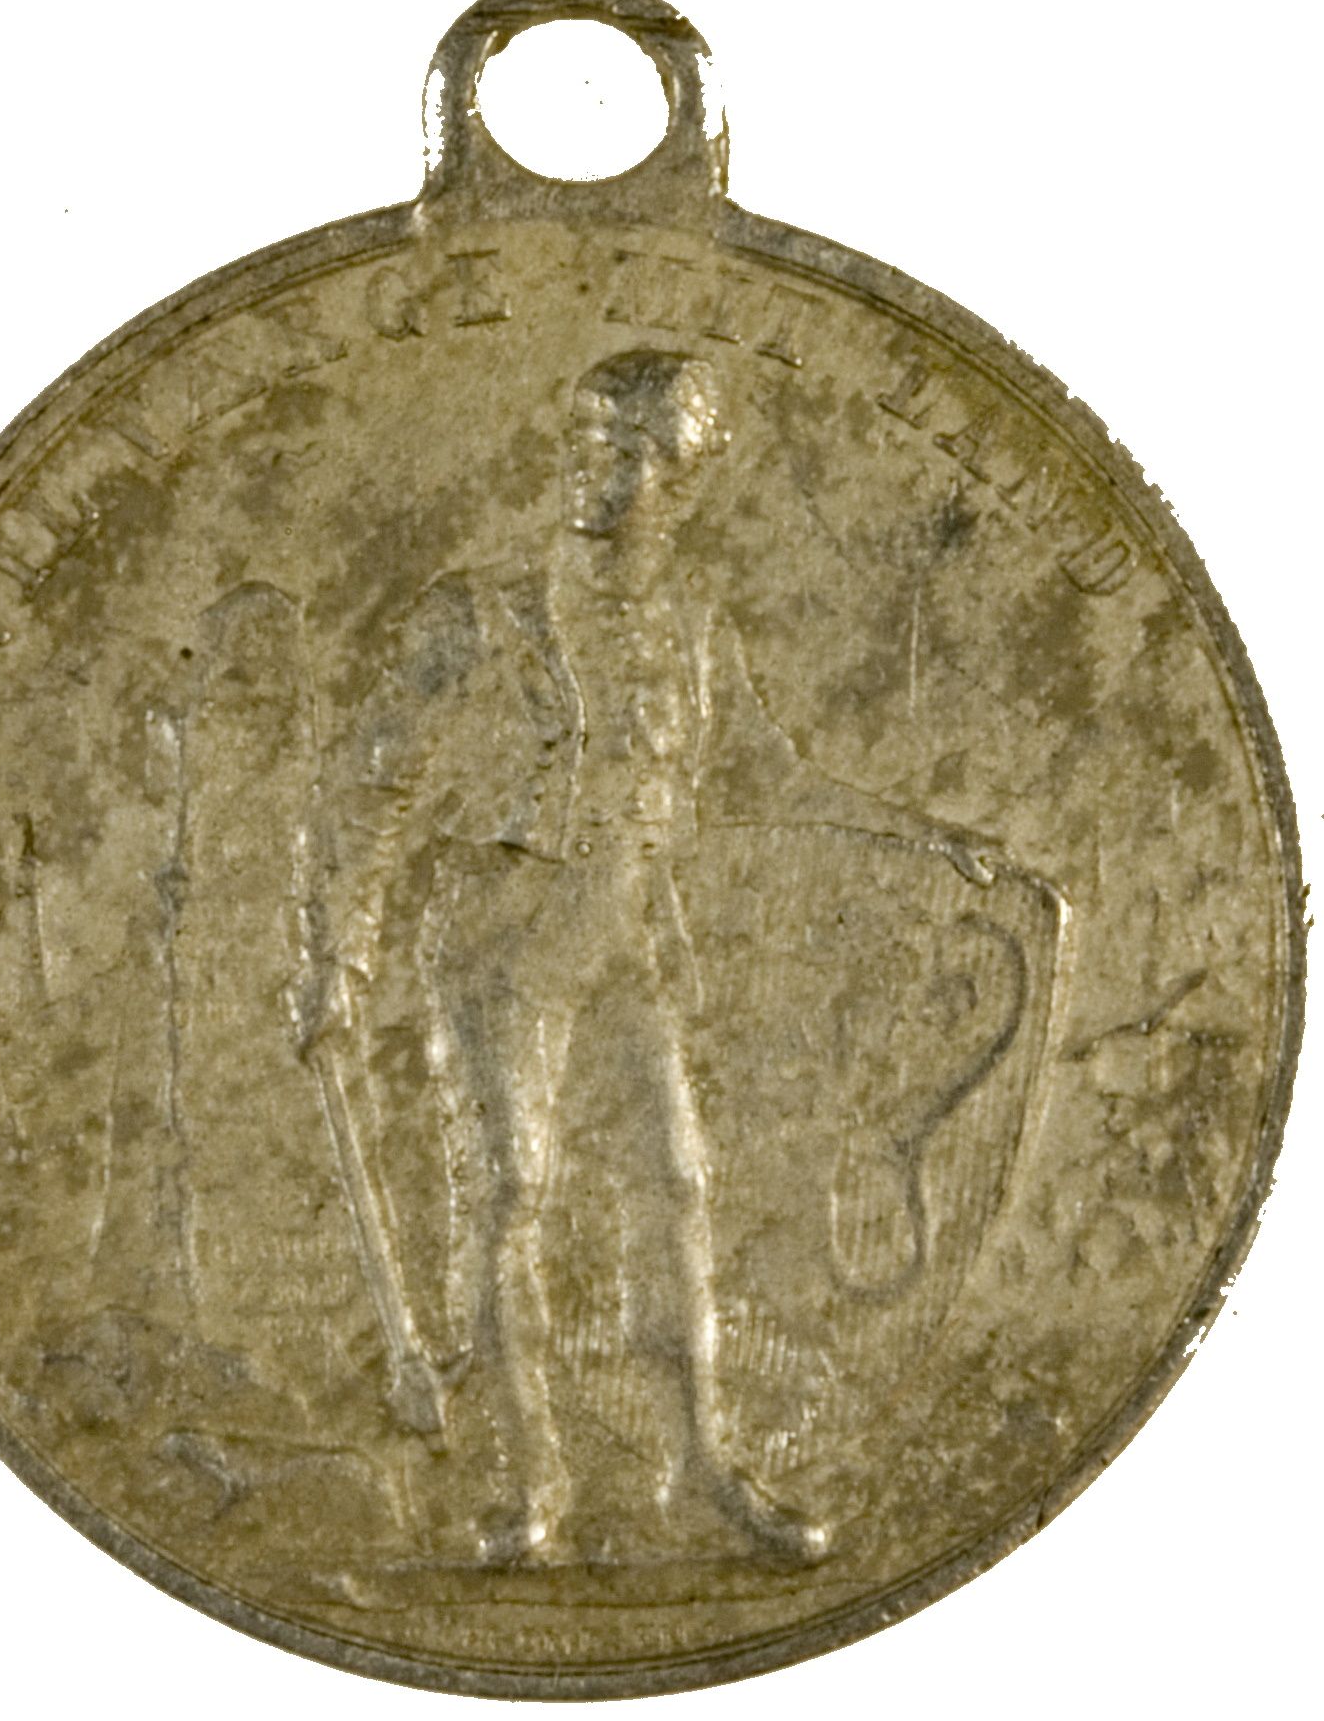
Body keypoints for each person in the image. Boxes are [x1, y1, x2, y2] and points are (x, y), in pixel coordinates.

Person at [290, 349, 996, 1565]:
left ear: (685, 479)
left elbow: (768, 772)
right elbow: (371, 782)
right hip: (502, 937)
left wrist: (928, 834)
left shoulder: (693, 625)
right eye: (580, 438)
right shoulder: (484, 608)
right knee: (511, 1194)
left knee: (675, 1184)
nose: (588, 465)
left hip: (628, 935)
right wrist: (337, 953)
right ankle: (529, 1488)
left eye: (624, 449)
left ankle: (702, 1463)